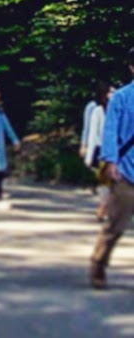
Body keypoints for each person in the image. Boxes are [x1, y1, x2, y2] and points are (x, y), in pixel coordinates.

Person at [91, 47, 134, 290]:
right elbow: (110, 131)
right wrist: (110, 160)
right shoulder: (121, 97)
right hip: (127, 171)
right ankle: (98, 262)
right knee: (116, 225)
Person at [82, 83, 113, 221]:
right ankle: (103, 207)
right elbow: (92, 134)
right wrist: (89, 156)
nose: (114, 94)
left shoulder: (119, 110)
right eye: (111, 92)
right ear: (104, 94)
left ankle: (108, 208)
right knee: (105, 182)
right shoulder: (98, 111)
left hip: (118, 151)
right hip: (102, 151)